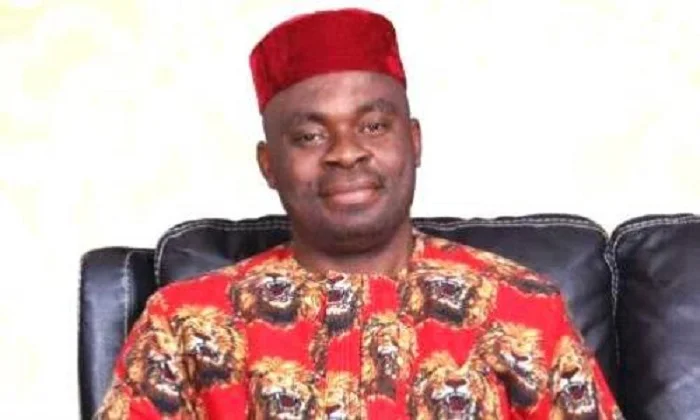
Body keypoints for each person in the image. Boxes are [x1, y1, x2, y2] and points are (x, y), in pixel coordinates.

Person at [97, 8, 621, 419]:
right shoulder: (183, 324)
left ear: (413, 142)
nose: (346, 152)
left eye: (373, 126)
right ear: (269, 165)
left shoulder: (521, 308)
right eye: (309, 136)